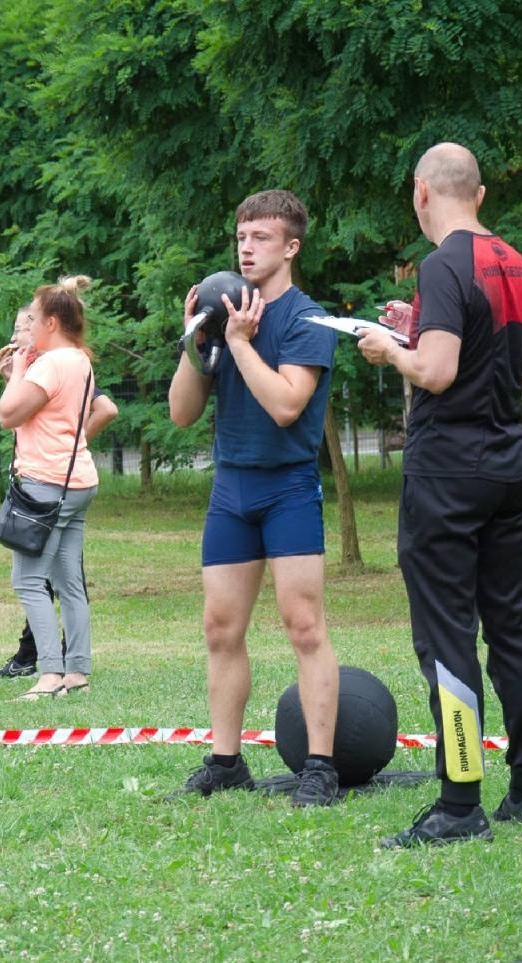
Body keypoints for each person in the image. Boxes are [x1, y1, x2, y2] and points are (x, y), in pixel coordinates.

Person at [355, 143, 522, 847]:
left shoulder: (443, 264)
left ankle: (460, 801)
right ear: (483, 193)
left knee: (446, 634)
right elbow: (514, 374)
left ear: (420, 193)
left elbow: (434, 372)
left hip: (445, 470)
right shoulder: (520, 266)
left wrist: (388, 346)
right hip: (506, 463)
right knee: (514, 628)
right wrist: (422, 330)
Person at [167, 189, 342, 808]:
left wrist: (239, 343)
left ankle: (320, 766)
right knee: (220, 629)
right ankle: (225, 760)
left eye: (261, 238)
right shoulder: (223, 315)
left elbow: (287, 402)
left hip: (288, 487)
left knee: (303, 626)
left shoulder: (306, 319)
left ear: (291, 247)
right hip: (231, 488)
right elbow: (182, 413)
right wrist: (198, 339)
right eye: (241, 237)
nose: (246, 248)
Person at [0, 305, 120, 678]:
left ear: (52, 324)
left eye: (29, 322)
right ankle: (77, 672)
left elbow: (7, 416)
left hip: (45, 484)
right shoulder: (78, 360)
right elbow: (43, 417)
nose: (23, 331)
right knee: (68, 582)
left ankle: (49, 672)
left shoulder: (47, 365)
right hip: (75, 481)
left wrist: (16, 371)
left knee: (29, 581)